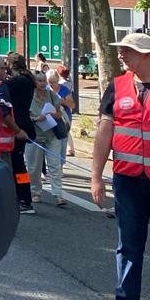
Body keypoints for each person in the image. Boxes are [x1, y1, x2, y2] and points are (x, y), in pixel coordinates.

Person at [91, 32, 150, 300]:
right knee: (129, 247)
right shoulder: (117, 86)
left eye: (128, 50)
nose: (121, 54)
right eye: (121, 50)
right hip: (127, 181)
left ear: (146, 55)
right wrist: (96, 177)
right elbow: (104, 133)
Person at [25, 70, 66, 206]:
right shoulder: (28, 96)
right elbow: (24, 118)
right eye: (40, 81)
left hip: (52, 134)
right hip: (35, 135)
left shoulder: (52, 95)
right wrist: (37, 118)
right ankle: (35, 192)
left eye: (44, 81)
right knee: (34, 167)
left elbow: (59, 113)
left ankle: (58, 194)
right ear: (34, 82)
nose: (43, 83)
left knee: (55, 164)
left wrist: (55, 115)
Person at [5, 53, 36, 214]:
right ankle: (22, 196)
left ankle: (25, 198)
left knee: (18, 165)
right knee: (18, 163)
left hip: (19, 125)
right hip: (22, 122)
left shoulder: (19, 82)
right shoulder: (27, 80)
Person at [49, 67, 76, 156]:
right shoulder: (46, 89)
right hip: (50, 119)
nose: (52, 84)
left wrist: (62, 101)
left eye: (54, 82)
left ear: (58, 80)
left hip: (64, 119)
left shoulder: (64, 90)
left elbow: (72, 105)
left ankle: (61, 162)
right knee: (52, 143)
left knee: (63, 142)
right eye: (50, 82)